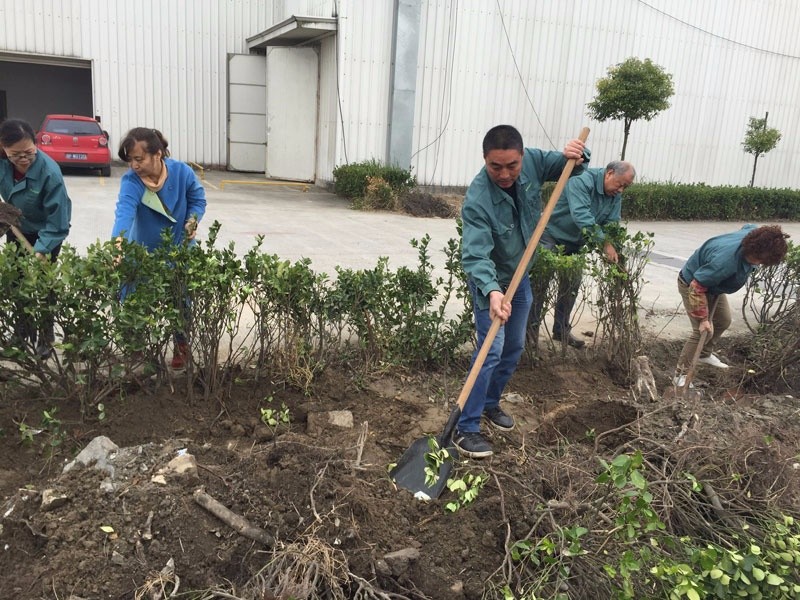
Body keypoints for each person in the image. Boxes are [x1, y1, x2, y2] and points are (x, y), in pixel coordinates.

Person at [457, 125, 587, 458]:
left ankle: (490, 403)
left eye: (511, 166)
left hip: (521, 275)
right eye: (495, 166)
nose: (504, 174)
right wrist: (493, 292)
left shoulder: (534, 163)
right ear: (484, 160)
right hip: (491, 282)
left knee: (514, 346)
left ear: (522, 157)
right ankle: (465, 427)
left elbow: (570, 166)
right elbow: (476, 255)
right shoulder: (478, 199)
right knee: (491, 349)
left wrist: (578, 154)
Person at [111, 127, 206, 369]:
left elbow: (197, 200)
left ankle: (181, 346)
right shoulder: (131, 182)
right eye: (130, 160)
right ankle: (137, 349)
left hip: (178, 249)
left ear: (158, 154)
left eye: (139, 159)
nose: (134, 165)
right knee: (133, 300)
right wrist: (118, 246)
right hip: (143, 251)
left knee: (181, 301)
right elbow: (124, 214)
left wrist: (192, 220)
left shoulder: (182, 172)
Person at [530, 161, 635, 349]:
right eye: (620, 184)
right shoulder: (581, 181)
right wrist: (604, 243)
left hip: (576, 242)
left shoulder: (614, 195)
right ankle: (529, 333)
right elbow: (581, 215)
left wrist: (615, 250)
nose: (621, 190)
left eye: (625, 187)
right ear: (609, 173)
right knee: (541, 283)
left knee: (571, 284)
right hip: (551, 234)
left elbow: (612, 223)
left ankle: (561, 330)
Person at [674, 224, 789, 385]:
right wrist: (703, 319)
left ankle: (703, 354)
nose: (762, 264)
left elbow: (748, 226)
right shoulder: (725, 262)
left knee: (723, 321)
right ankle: (680, 375)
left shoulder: (753, 236)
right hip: (693, 285)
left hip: (713, 285)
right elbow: (696, 287)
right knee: (702, 332)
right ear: (757, 253)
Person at [0, 118, 72, 358]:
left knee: (43, 284)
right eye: (15, 154)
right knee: (17, 282)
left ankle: (46, 335)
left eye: (28, 152)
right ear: (4, 149)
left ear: (36, 143)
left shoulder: (50, 172)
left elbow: (58, 221)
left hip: (47, 232)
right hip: (17, 227)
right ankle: (23, 332)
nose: (23, 159)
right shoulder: (2, 162)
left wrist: (42, 250)